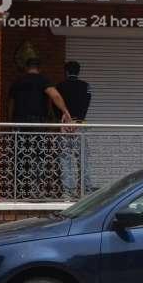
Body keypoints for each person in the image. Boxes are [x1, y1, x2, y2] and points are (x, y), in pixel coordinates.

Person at [6, 57, 71, 199]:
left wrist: (10, 122)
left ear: (26, 67)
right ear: (39, 68)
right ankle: (36, 189)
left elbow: (11, 104)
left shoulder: (18, 82)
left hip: (20, 123)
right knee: (38, 155)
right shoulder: (43, 80)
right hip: (38, 123)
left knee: (20, 155)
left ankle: (21, 191)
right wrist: (65, 112)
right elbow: (55, 96)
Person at [56, 61, 93, 198]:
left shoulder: (59, 86)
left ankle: (68, 192)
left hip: (64, 125)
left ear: (66, 71)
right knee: (83, 158)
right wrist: (78, 121)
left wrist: (66, 120)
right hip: (80, 125)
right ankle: (86, 191)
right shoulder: (86, 86)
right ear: (79, 71)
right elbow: (86, 104)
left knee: (65, 159)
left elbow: (55, 105)